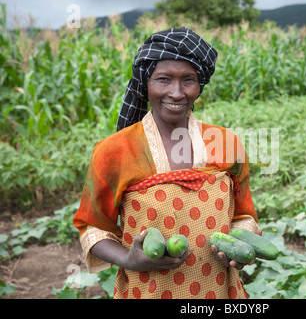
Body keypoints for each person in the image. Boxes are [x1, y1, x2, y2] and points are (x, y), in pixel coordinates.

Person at [73, 27, 260, 299]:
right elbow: (93, 226)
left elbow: (244, 216)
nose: (176, 92)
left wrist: (239, 249)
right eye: (163, 80)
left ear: (200, 85)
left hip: (218, 290)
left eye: (188, 80)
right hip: (146, 290)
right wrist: (129, 259)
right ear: (145, 83)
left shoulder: (226, 142)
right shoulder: (113, 151)